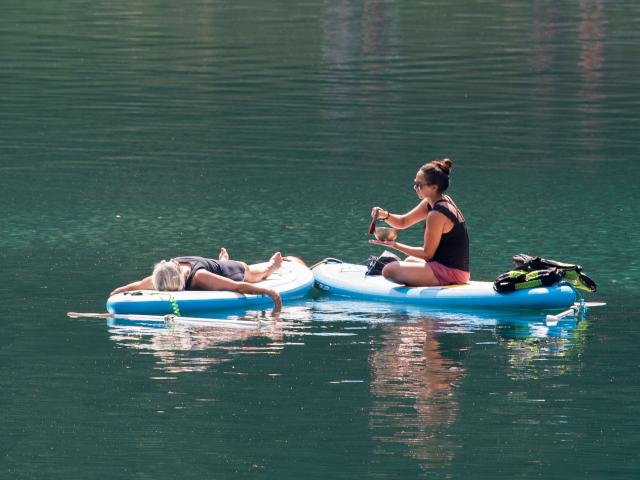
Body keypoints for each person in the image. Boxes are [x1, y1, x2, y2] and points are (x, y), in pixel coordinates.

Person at [370, 158, 469, 286]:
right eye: (415, 183)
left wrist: (394, 245)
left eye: (419, 184)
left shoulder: (437, 214)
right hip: (447, 267)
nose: (415, 187)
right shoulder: (435, 201)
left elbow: (427, 254)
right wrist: (385, 215)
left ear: (434, 187)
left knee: (389, 270)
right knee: (410, 260)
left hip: (452, 273)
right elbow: (403, 222)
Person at [109, 248, 283, 312]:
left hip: (233, 270)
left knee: (256, 274)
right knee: (214, 278)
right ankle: (220, 262)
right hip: (210, 269)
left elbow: (237, 287)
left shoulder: (199, 277)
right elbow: (139, 284)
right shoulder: (164, 275)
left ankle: (272, 264)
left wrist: (268, 292)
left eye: (170, 262)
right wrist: (117, 292)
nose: (169, 261)